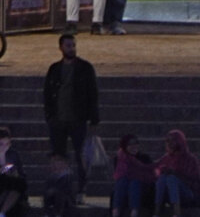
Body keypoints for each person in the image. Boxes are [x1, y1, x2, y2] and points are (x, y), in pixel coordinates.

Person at [40, 33, 101, 202]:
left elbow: (92, 94)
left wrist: (94, 119)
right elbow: (47, 94)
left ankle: (81, 189)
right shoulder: (54, 69)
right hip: (58, 120)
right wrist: (50, 116)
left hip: (78, 119)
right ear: (61, 47)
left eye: (73, 45)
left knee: (80, 156)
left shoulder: (85, 68)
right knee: (58, 156)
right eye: (68, 45)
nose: (71, 48)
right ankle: (60, 189)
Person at [153, 129, 200, 215]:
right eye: (167, 141)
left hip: (188, 194)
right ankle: (156, 212)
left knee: (171, 178)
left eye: (172, 140)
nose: (169, 143)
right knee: (162, 178)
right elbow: (153, 167)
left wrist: (176, 174)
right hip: (170, 195)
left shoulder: (190, 159)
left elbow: (196, 181)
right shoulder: (166, 158)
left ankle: (177, 213)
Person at [108, 135, 154, 216]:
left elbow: (149, 174)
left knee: (134, 182)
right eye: (130, 144)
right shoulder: (119, 159)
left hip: (142, 187)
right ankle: (116, 212)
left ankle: (134, 213)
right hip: (124, 187)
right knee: (122, 181)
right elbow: (119, 175)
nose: (134, 146)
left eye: (136, 143)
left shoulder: (144, 157)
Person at [44, 150, 80, 217]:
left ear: (65, 163)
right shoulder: (51, 177)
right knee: (47, 195)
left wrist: (54, 191)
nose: (53, 164)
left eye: (57, 161)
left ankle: (57, 214)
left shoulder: (69, 176)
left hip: (67, 204)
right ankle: (47, 213)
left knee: (60, 194)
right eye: (52, 162)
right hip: (53, 202)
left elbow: (68, 191)